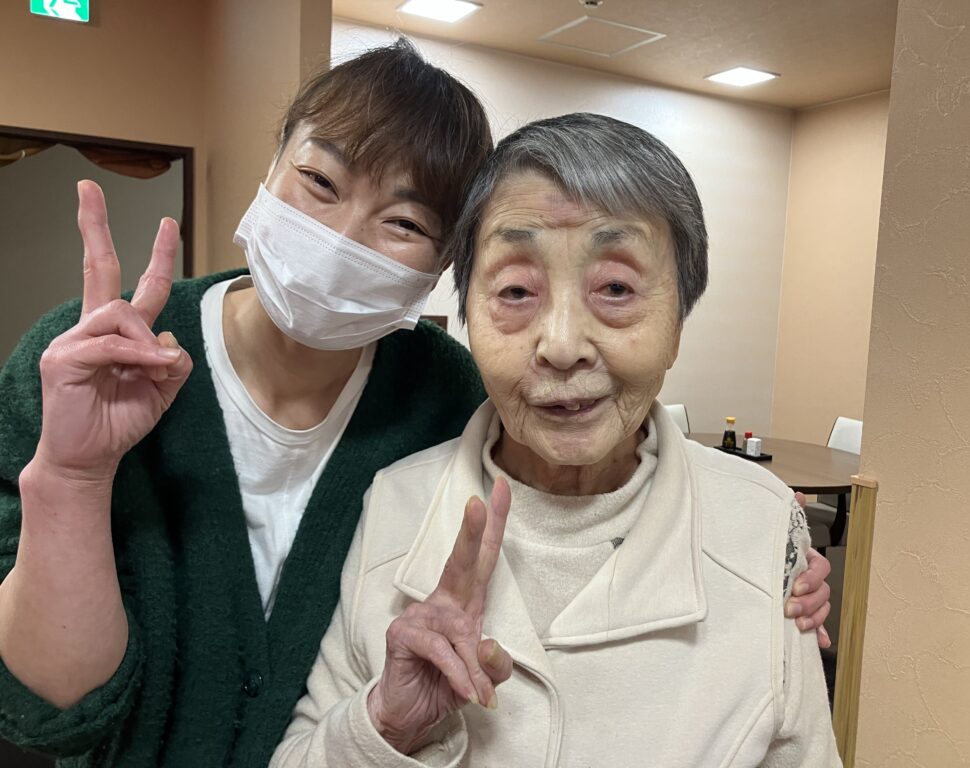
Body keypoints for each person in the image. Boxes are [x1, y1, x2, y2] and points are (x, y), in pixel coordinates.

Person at [0, 42, 831, 767]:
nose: (339, 237)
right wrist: (73, 476)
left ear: (441, 268)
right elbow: (49, 711)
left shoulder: (444, 395)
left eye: (401, 222)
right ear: (272, 162)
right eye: (318, 180)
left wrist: (754, 543)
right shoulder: (88, 367)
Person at [270, 113, 842, 767]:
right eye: (516, 290)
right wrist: (385, 726)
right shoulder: (397, 503)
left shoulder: (760, 525)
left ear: (679, 323)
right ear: (466, 314)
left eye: (616, 288)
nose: (563, 345)